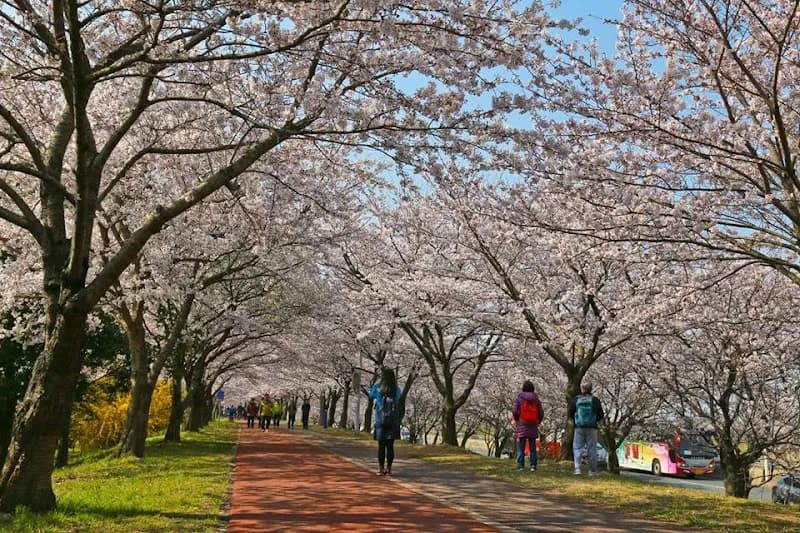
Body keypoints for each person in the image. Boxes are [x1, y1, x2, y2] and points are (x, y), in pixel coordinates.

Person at [368, 368, 402, 476]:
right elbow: (398, 399)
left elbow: (370, 395)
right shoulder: (396, 389)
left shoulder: (378, 388)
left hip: (380, 420)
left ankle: (381, 469)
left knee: (381, 446)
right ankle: (389, 468)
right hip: (392, 420)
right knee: (390, 446)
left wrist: (375, 383)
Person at [568, 382, 605, 476]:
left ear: (582, 388)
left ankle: (577, 469)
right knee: (592, 448)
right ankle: (592, 471)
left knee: (577, 447)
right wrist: (594, 420)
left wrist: (576, 420)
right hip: (592, 427)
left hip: (579, 427)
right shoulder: (595, 400)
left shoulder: (576, 399)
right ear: (591, 389)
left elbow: (570, 412)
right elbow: (601, 414)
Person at [511, 380, 545, 472]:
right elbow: (541, 412)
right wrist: (538, 421)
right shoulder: (536, 399)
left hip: (522, 423)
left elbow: (514, 410)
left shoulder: (519, 398)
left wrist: (517, 418)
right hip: (533, 424)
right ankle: (533, 466)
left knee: (521, 446)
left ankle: (520, 466)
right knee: (533, 446)